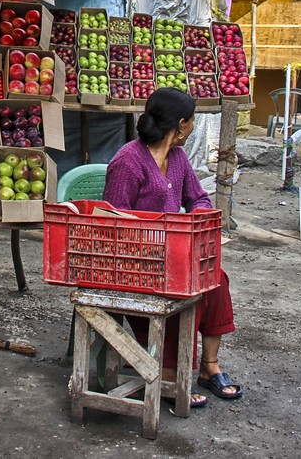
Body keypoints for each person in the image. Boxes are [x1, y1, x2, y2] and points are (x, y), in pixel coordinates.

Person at [103, 88, 242, 410]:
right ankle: (168, 372)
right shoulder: (128, 162)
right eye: (191, 122)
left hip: (169, 253)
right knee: (180, 288)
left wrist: (198, 221)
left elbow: (198, 198)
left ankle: (209, 366)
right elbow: (114, 221)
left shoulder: (177, 158)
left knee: (216, 277)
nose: (192, 127)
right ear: (180, 125)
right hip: (132, 260)